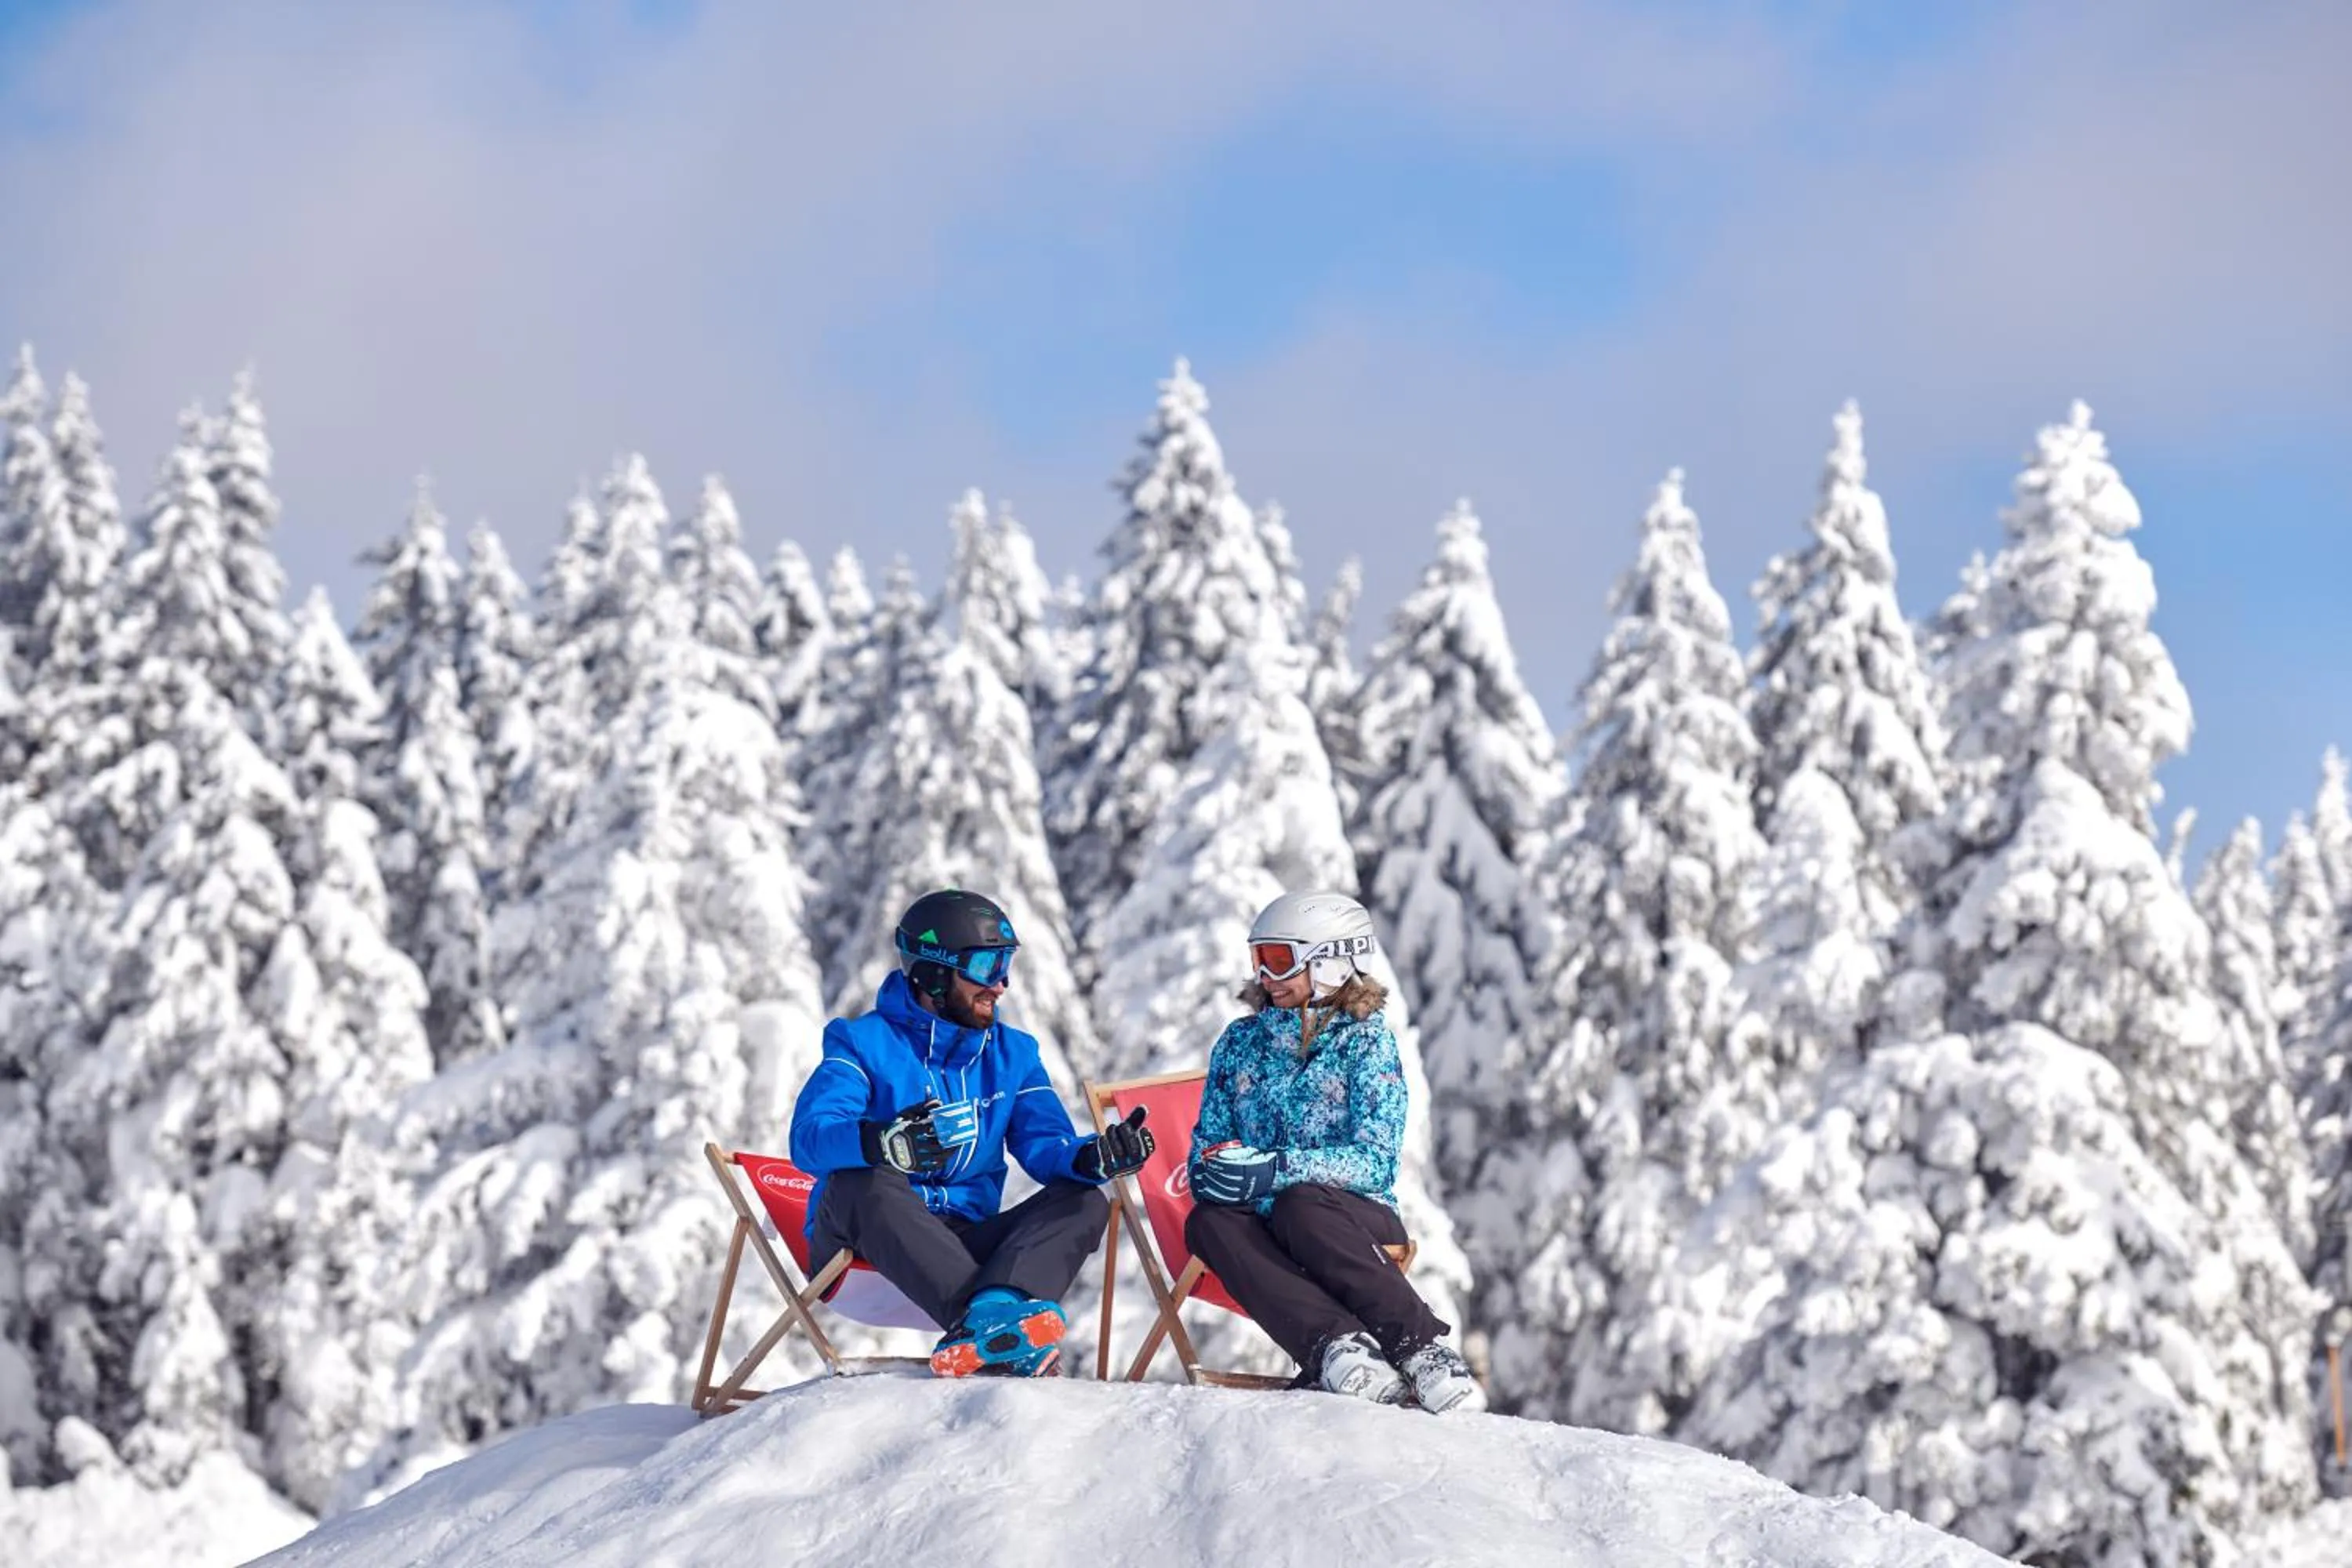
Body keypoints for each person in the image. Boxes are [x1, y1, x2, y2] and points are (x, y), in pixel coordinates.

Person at [789, 888, 1154, 1377]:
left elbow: (1048, 1146)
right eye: (985, 968)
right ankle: (993, 1331)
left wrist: (1093, 1157)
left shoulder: (1013, 1055)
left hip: (963, 1243)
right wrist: (882, 1142)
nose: (1000, 985)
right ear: (933, 974)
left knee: (1086, 1198)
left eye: (1005, 966)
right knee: (863, 1179)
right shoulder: (861, 1044)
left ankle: (991, 1318)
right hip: (864, 1246)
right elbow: (810, 1138)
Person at [1182, 891, 1485, 1413]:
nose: (1265, 976)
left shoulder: (1365, 1043)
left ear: (1331, 962)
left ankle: (1422, 1350)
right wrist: (1216, 1173)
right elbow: (1205, 1148)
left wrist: (1276, 1170)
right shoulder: (1239, 1044)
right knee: (1207, 1223)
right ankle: (1340, 1348)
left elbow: (1375, 1160)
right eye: (1259, 960)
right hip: (1265, 1222)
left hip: (1350, 1221)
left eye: (1279, 960)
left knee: (1302, 1203)